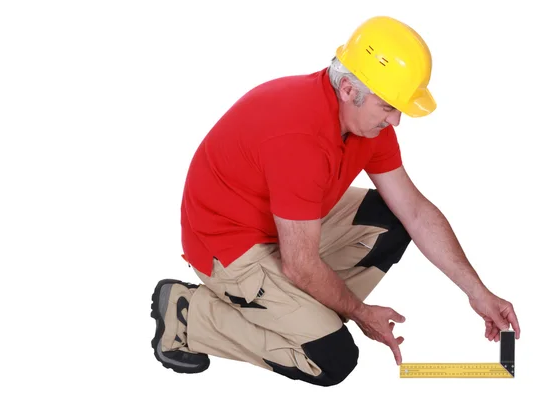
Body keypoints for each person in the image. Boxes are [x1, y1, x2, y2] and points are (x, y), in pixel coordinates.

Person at [149, 16, 521, 386]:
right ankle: (189, 315)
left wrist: (479, 292)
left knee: (391, 219)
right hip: (226, 246)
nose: (396, 121)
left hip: (286, 225)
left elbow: (416, 212)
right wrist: (360, 313)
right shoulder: (300, 138)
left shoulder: (366, 123)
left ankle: (301, 312)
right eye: (389, 107)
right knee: (332, 357)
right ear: (347, 89)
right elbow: (299, 264)